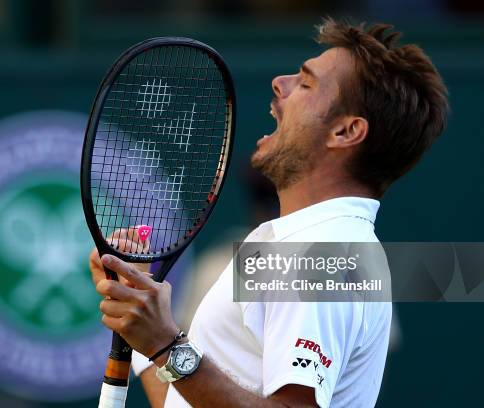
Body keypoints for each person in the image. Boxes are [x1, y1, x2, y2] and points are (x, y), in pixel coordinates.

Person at [89, 18, 449, 407]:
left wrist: (164, 342)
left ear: (345, 132)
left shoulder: (324, 253)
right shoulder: (303, 246)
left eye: (307, 83)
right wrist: (143, 337)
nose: (280, 82)